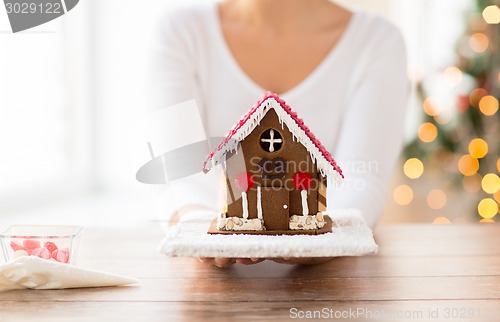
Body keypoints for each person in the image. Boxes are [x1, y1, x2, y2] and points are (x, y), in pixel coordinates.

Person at [148, 0, 408, 268]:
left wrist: (320, 236)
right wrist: (204, 234)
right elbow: (177, 173)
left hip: (327, 284)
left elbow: (361, 178)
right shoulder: (181, 32)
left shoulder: (377, 42)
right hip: (210, 279)